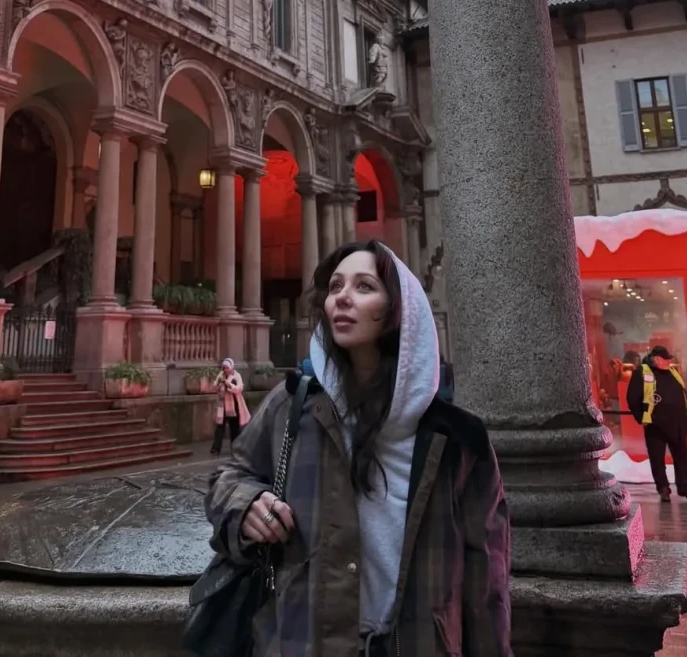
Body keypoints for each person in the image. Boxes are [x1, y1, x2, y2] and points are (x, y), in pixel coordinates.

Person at [205, 240, 512, 656]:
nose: (342, 297)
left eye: (364, 286)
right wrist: (247, 505)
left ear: (400, 308)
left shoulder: (459, 441)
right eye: (335, 287)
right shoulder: (293, 406)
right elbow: (228, 478)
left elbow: (486, 585)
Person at [626, 345, 687, 503]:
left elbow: (683, 395)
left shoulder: (673, 372)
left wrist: (686, 419)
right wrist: (641, 418)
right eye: (665, 359)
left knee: (683, 458)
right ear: (657, 359)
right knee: (657, 460)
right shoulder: (643, 372)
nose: (668, 362)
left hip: (677, 424)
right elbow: (632, 397)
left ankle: (684, 487)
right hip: (655, 425)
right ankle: (663, 488)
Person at [210, 358, 250, 457]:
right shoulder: (221, 375)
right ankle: (215, 449)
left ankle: (236, 448)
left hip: (233, 404)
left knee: (234, 427)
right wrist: (219, 383)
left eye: (227, 368)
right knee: (220, 427)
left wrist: (228, 384)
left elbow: (239, 388)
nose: (225, 370)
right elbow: (214, 387)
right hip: (223, 405)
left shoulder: (236, 375)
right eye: (224, 368)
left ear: (231, 367)